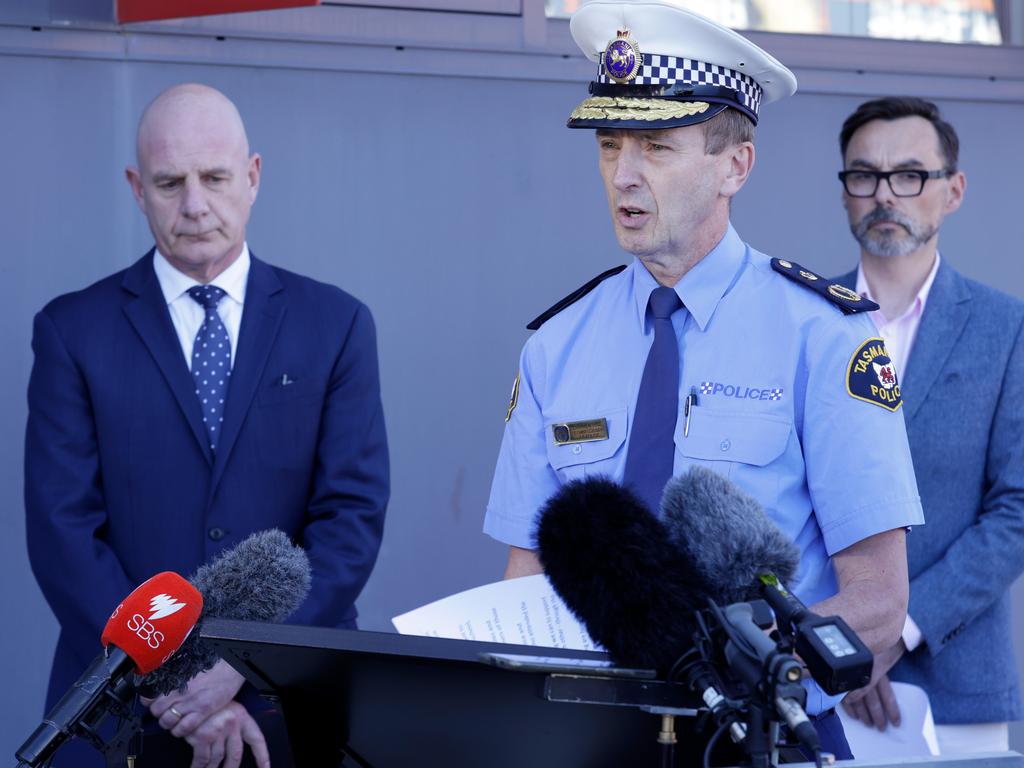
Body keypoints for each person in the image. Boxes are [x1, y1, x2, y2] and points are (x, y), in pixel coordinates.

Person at [482, 0, 924, 759]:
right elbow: (522, 586)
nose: (623, 174)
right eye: (610, 143)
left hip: (761, 738)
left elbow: (879, 605)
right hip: (592, 737)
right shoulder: (556, 346)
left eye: (655, 146)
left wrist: (742, 670)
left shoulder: (825, 334)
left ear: (734, 166)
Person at [25, 83, 390, 768]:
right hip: (116, 711)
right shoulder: (73, 332)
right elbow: (62, 531)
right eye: (170, 183)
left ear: (252, 177)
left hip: (290, 704)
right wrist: (173, 675)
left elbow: (349, 521)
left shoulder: (336, 325)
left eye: (215, 178)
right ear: (137, 188)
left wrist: (240, 666)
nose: (195, 206)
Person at [834, 96, 1024, 754]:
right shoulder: (801, 320)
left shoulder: (1008, 328)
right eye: (865, 175)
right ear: (846, 192)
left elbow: (1017, 510)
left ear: (953, 191)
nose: (886, 194)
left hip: (958, 689)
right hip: (812, 684)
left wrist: (896, 628)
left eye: (910, 174)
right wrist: (838, 639)